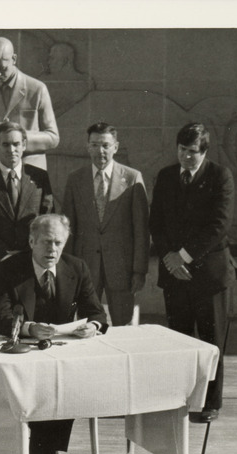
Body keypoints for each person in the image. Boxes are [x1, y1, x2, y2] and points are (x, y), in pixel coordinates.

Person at [0, 214, 108, 454]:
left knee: (68, 379)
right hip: (23, 353)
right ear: (31, 241)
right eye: (45, 242)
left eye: (58, 243)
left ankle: (46, 446)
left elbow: (98, 313)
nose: (52, 250)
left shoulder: (76, 268)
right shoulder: (8, 269)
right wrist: (28, 328)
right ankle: (41, 446)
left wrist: (93, 327)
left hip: (60, 354)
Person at [149, 123, 237, 423]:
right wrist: (170, 260)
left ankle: (210, 403)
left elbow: (219, 225)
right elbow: (156, 223)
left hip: (209, 275)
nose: (187, 158)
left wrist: (183, 256)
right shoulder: (165, 177)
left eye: (193, 152)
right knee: (179, 339)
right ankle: (181, 398)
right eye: (182, 151)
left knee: (211, 340)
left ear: (204, 151)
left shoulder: (219, 176)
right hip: (175, 275)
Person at [0, 121, 55, 332]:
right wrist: (6, 254)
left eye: (16, 144)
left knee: (32, 329)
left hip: (30, 266)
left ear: (24, 145)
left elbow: (46, 218)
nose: (12, 150)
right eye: (5, 145)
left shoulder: (39, 178)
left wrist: (27, 252)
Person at [61, 122, 149, 326]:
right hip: (85, 266)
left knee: (122, 327)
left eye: (105, 145)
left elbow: (141, 230)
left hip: (122, 268)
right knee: (84, 325)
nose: (100, 151)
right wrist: (67, 268)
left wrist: (139, 271)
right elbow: (67, 229)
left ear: (115, 147)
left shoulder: (133, 178)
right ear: (87, 147)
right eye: (94, 145)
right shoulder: (75, 180)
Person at [0, 36, 59, 170]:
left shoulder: (37, 89)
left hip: (29, 171)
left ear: (14, 59)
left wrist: (12, 136)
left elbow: (53, 138)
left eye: (2, 68)